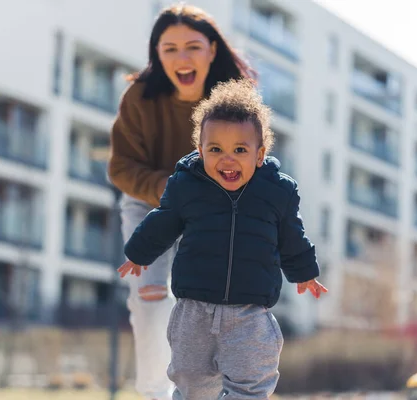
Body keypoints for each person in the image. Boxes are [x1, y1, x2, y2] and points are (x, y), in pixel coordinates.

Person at [118, 79, 328, 400]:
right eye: (215, 149)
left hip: (250, 315)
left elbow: (292, 236)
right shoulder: (186, 186)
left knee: (250, 385)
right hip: (193, 313)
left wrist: (304, 272)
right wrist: (138, 252)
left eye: (240, 150)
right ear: (200, 151)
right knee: (191, 383)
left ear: (259, 155)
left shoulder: (277, 192)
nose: (227, 159)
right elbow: (163, 221)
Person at [107, 4, 255, 399]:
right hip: (148, 203)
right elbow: (121, 167)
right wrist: (174, 191)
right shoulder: (140, 97)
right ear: (157, 54)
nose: (181, 58)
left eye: (192, 46)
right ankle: (154, 393)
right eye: (168, 48)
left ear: (211, 50)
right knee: (150, 299)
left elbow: (254, 158)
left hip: (214, 212)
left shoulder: (235, 100)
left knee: (208, 306)